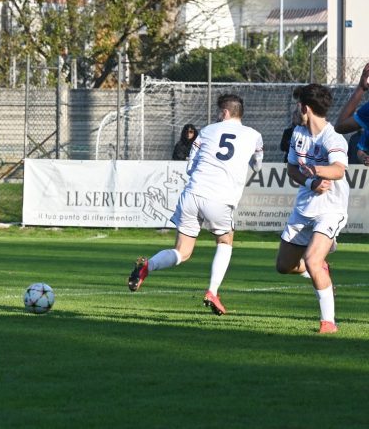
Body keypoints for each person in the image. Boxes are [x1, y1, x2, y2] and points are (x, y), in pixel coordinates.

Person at [128, 94, 264, 316]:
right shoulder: (254, 135)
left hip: (192, 194)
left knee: (182, 251)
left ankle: (147, 266)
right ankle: (212, 291)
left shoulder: (208, 131)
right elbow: (257, 166)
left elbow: (191, 164)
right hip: (219, 198)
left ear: (226, 112)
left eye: (220, 111)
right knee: (225, 239)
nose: (218, 115)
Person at [275, 84, 349, 334]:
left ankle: (329, 323)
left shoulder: (333, 137)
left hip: (330, 209)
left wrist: (316, 170)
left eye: (298, 105)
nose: (297, 110)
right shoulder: (298, 133)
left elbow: (338, 170)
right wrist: (310, 180)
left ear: (305, 108)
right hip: (304, 208)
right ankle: (320, 269)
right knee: (284, 266)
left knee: (312, 260)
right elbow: (292, 169)